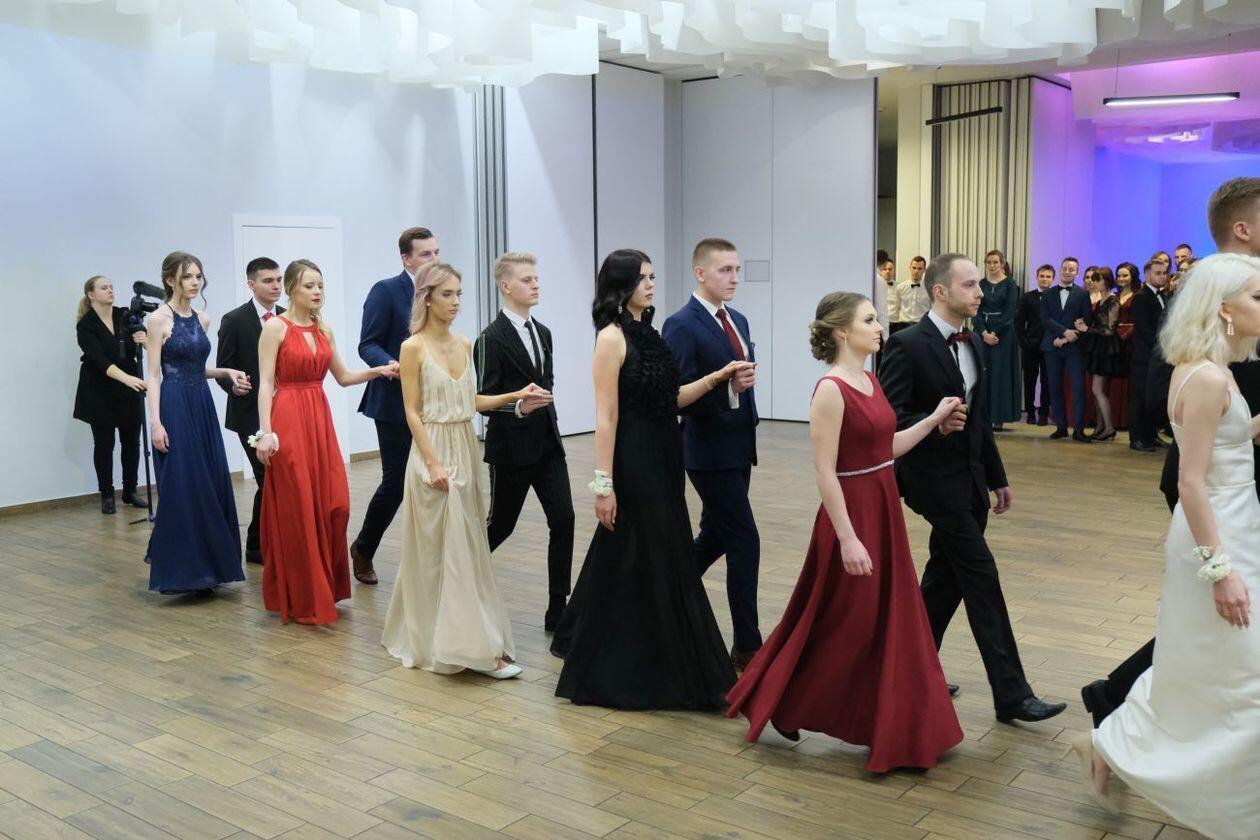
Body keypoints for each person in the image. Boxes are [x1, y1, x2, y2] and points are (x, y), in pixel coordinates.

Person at [726, 291, 964, 772]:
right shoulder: (831, 390)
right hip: (852, 516)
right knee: (841, 622)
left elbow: (885, 448)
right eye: (870, 320)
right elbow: (824, 470)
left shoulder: (870, 380)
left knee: (873, 620)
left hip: (882, 508)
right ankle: (781, 699)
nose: (879, 327)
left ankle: (894, 723)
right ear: (841, 331)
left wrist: (933, 422)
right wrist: (849, 538)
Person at [1074, 253, 1260, 838]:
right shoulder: (1206, 377)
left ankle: (1112, 742)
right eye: (1257, 297)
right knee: (1242, 672)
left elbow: (1229, 443)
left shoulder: (1212, 368)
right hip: (1218, 531)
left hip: (1233, 523)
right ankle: (1126, 747)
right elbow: (1191, 482)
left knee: (1196, 661)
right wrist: (1220, 570)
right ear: (1223, 309)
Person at [1082, 177, 1260, 728]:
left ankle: (1126, 704)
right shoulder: (1209, 340)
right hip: (1216, 493)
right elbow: (1189, 449)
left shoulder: (1224, 330)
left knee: (1212, 628)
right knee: (1218, 622)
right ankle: (1129, 711)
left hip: (1232, 484)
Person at [551, 249, 749, 709]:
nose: (651, 284)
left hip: (665, 455)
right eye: (642, 278)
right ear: (620, 286)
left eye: (653, 276)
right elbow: (606, 417)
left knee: (641, 549)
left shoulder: (650, 333)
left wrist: (716, 378)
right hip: (634, 457)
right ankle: (635, 661)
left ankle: (613, 639)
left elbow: (671, 398)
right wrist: (603, 487)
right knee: (650, 548)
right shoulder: (611, 338)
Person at [880, 253, 1065, 724]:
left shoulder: (973, 343)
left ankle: (907, 671)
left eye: (979, 284)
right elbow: (891, 419)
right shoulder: (906, 344)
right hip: (932, 483)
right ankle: (1012, 694)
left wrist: (997, 477)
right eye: (969, 285)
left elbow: (978, 417)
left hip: (970, 482)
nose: (980, 293)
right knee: (981, 577)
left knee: (943, 583)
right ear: (940, 291)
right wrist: (934, 422)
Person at [382, 262, 546, 678]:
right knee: (440, 553)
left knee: (465, 550)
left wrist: (515, 395)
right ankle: (474, 650)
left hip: (465, 449)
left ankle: (461, 639)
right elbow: (411, 411)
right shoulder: (412, 347)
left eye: (458, 294)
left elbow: (471, 401)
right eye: (447, 294)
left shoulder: (465, 343)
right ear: (427, 299)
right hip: (432, 453)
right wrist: (433, 462)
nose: (456, 302)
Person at [255, 260, 396, 625]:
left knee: (335, 504)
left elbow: (343, 377)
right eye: (309, 286)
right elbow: (266, 383)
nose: (317, 291)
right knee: (299, 507)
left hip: (318, 418)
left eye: (320, 285)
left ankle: (324, 587)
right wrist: (266, 433)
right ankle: (303, 595)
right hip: (288, 418)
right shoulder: (275, 327)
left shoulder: (324, 329)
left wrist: (379, 370)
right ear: (291, 289)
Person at [661, 238, 762, 671]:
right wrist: (728, 390)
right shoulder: (681, 325)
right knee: (745, 540)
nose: (734, 278)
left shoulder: (737, 319)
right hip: (707, 451)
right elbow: (675, 396)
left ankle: (660, 594)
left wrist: (739, 395)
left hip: (739, 446)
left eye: (737, 269)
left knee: (716, 536)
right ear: (699, 273)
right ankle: (748, 646)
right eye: (725, 270)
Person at [474, 252, 574, 632]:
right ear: (506, 286)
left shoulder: (544, 333)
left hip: (548, 445)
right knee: (501, 526)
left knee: (564, 519)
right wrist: (518, 407)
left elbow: (547, 383)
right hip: (511, 451)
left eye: (536, 278)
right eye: (527, 279)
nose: (535, 285)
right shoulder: (490, 338)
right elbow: (483, 399)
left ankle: (557, 610)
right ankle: (458, 580)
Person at [143, 252, 248, 595]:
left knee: (210, 480)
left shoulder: (203, 318)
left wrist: (226, 371)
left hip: (201, 403)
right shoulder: (157, 319)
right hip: (174, 404)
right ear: (170, 280)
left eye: (198, 276)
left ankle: (212, 567)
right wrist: (156, 423)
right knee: (185, 482)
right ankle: (186, 570)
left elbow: (196, 367)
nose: (195, 282)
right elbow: (154, 374)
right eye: (187, 276)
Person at [351, 227, 434, 584]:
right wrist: (388, 363)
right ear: (407, 259)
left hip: (433, 402)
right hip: (393, 403)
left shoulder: (439, 293)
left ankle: (431, 561)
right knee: (396, 483)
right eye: (426, 254)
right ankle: (363, 548)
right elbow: (367, 344)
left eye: (436, 252)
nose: (434, 259)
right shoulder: (385, 291)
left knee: (434, 479)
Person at [215, 257, 284, 564]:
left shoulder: (286, 317)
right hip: (248, 415)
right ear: (251, 284)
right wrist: (233, 386)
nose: (276, 286)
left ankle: (259, 541)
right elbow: (223, 368)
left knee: (276, 479)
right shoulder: (234, 320)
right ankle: (258, 544)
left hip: (283, 411)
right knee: (266, 476)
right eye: (268, 280)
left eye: (279, 279)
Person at [74, 275, 149, 514]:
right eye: (104, 287)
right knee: (104, 444)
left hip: (128, 388)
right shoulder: (86, 325)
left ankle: (130, 491)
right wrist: (127, 379)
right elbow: (98, 359)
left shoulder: (124, 315)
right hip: (99, 389)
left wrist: (144, 338)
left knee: (132, 441)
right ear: (91, 295)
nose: (110, 290)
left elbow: (145, 339)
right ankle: (107, 494)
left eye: (111, 287)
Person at [1042, 256, 1093, 443]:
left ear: (1077, 273)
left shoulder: (1082, 294)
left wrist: (1068, 337)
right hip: (1052, 345)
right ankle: (1061, 427)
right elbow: (1045, 318)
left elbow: (1086, 320)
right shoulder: (1048, 293)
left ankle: (1078, 429)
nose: (1067, 271)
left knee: (1078, 388)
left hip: (1074, 347)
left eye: (1072, 269)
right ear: (1060, 269)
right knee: (1054, 388)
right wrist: (1064, 332)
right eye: (1065, 268)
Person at [975, 249, 1021, 431]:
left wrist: (994, 333)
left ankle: (999, 416)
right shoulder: (980, 284)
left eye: (995, 262)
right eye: (989, 262)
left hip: (1003, 335)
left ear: (1002, 264)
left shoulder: (1010, 285)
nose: (992, 266)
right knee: (983, 373)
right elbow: (975, 310)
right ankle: (983, 414)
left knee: (1000, 375)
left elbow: (1009, 313)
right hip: (983, 334)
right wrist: (983, 333)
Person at [1127, 259, 1170, 451]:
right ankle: (1136, 438)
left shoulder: (1163, 295)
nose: (1162, 276)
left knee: (1154, 398)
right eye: (1158, 273)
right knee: (1140, 398)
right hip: (1144, 357)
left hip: (1157, 357)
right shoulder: (1141, 297)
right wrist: (1164, 348)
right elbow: (1145, 330)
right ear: (1147, 274)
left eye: (1164, 273)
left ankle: (1151, 435)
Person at [1077, 266, 1123, 441]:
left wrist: (1086, 329)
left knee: (1097, 390)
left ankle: (1109, 428)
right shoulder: (1101, 300)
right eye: (1093, 280)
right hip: (1098, 347)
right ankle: (1100, 426)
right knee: (1097, 390)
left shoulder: (1113, 300)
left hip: (1106, 348)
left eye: (1098, 280)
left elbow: (1109, 330)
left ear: (1107, 281)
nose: (1093, 283)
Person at [1015, 264, 1052, 426]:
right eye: (1042, 276)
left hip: (1050, 346)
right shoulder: (1027, 297)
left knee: (1047, 380)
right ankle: (1030, 412)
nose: (1045, 279)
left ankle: (1044, 413)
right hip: (1031, 345)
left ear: (1052, 279)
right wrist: (1023, 341)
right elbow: (1019, 321)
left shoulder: (1056, 297)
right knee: (1029, 380)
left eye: (1048, 276)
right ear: (1037, 277)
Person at [888, 255, 929, 334]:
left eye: (919, 268)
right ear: (910, 268)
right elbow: (896, 308)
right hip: (903, 325)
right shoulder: (900, 287)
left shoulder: (929, 289)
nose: (916, 271)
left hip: (922, 325)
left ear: (924, 270)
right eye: (914, 268)